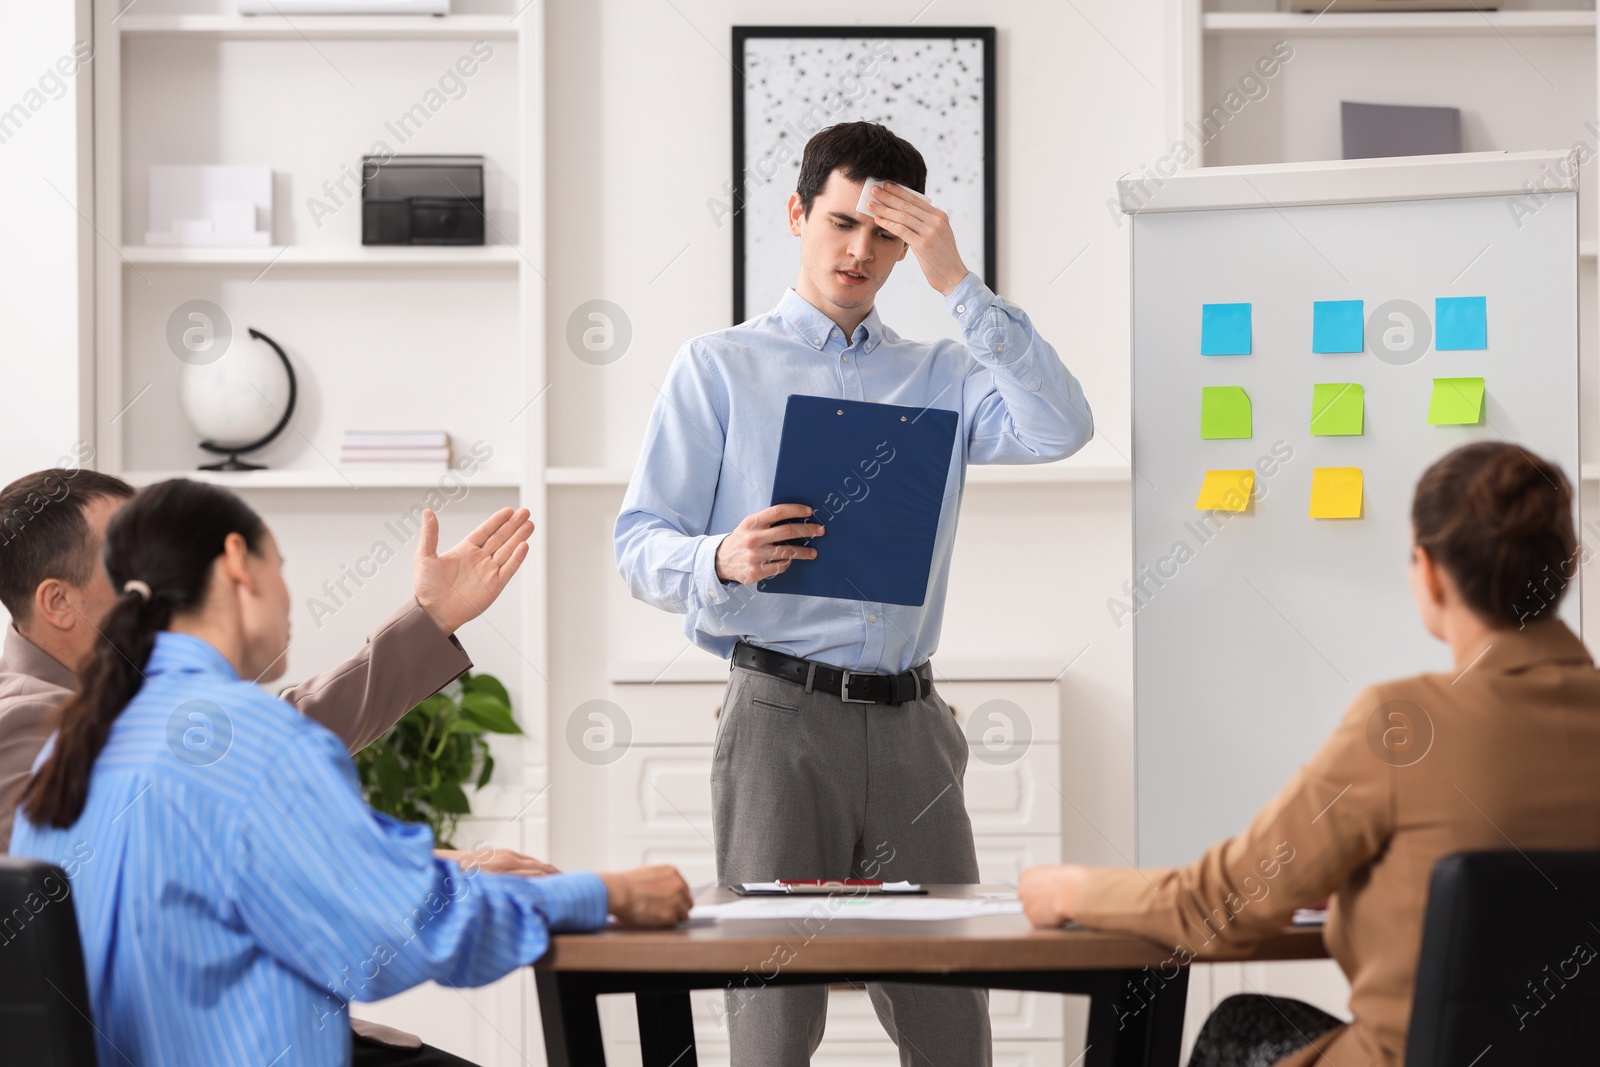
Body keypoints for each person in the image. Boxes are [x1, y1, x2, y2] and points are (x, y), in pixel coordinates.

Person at [615, 120, 1093, 1066]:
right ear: (797, 214)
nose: (859, 252)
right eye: (840, 223)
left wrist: (957, 282)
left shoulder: (944, 373)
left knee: (952, 1025)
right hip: (778, 720)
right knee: (773, 1027)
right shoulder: (718, 367)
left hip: (914, 726)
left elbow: (1061, 428)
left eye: (887, 237)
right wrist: (720, 556)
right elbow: (638, 546)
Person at [10, 478, 693, 1066]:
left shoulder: (79, 745)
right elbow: (407, 930)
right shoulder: (239, 738)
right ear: (239, 567)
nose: (290, 601)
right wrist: (602, 891)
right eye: (283, 565)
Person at [1018, 441, 1600, 1067]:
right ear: (1566, 566)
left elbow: (1220, 906)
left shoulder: (1401, 726)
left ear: (1427, 571)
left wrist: (1073, 890)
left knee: (1237, 1029)